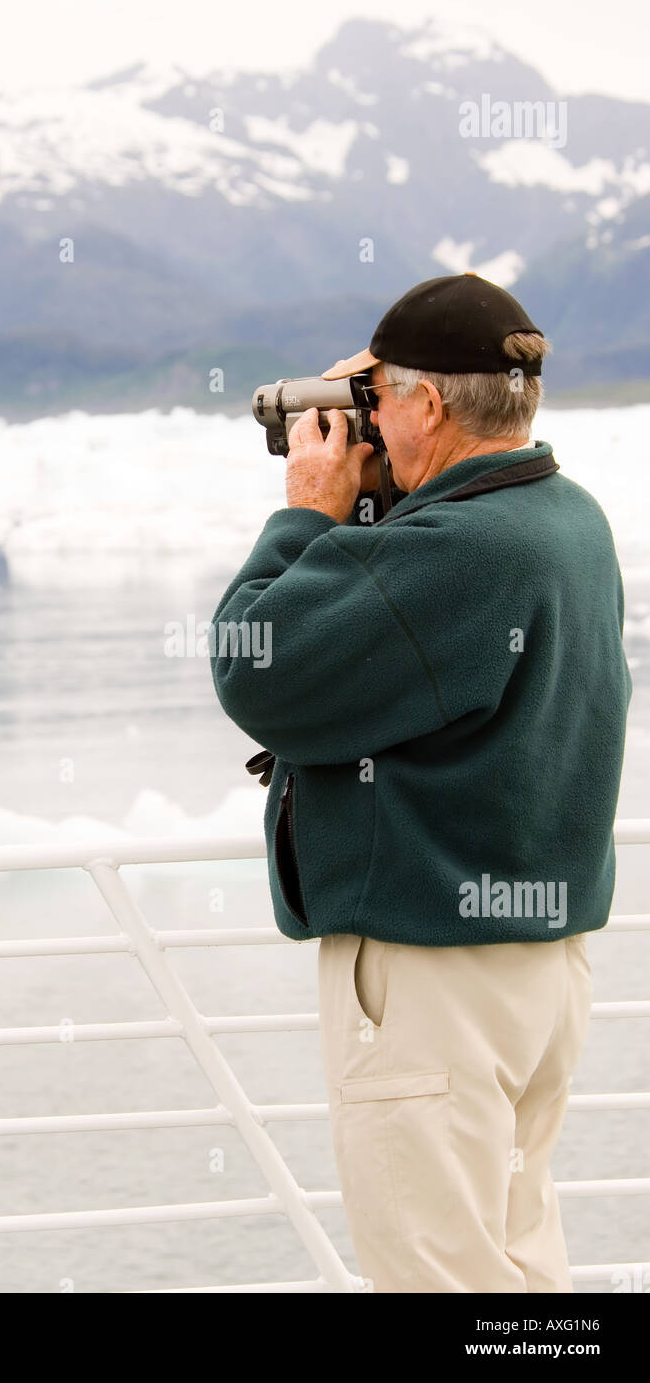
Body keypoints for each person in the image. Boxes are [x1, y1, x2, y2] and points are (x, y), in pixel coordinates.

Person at [208, 273, 632, 1292]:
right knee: (515, 1265)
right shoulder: (564, 518)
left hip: (433, 977)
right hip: (534, 967)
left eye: (384, 398)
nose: (365, 421)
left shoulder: (457, 552)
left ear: (429, 405)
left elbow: (257, 666)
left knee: (434, 1277)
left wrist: (307, 515)